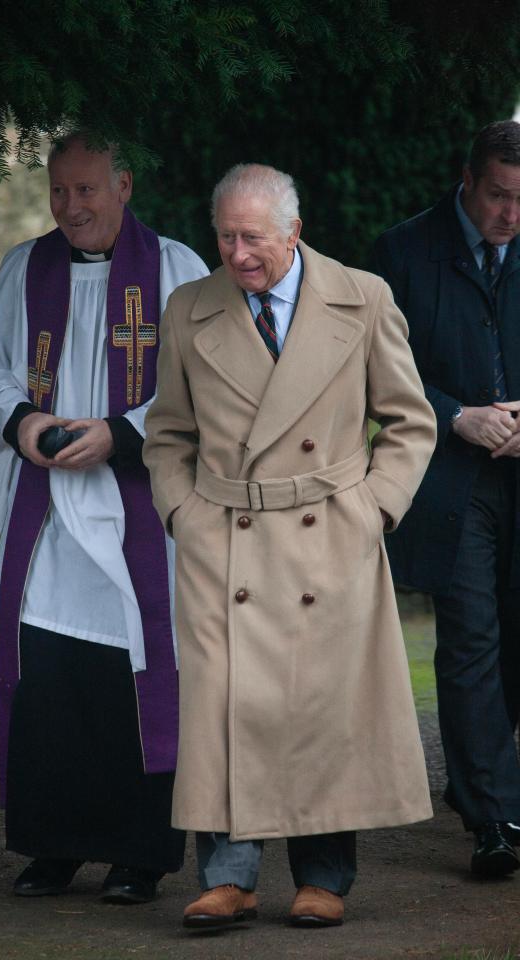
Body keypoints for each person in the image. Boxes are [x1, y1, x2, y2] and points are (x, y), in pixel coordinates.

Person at [143, 163, 436, 930]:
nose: (237, 254)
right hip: (224, 541)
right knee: (222, 705)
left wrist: (373, 510)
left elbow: (410, 420)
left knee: (321, 704)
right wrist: (184, 515)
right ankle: (230, 875)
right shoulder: (188, 308)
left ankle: (323, 875)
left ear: (294, 233)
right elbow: (167, 434)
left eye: (253, 239)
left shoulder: (363, 297)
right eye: (226, 236)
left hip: (328, 537)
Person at [0, 133, 207, 902]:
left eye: (87, 190)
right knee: (48, 677)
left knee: (133, 675)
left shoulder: (176, 269)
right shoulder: (22, 270)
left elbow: (205, 382)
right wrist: (25, 426)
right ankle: (52, 845)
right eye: (59, 192)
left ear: (124, 185)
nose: (71, 206)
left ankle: (140, 854)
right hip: (49, 510)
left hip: (137, 504)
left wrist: (120, 432)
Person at [372, 119, 520, 877]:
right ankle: (494, 817)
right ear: (467, 179)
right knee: (468, 644)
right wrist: (456, 414)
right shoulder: (402, 252)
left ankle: (490, 789)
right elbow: (373, 373)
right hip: (447, 478)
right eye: (498, 196)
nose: (511, 216)